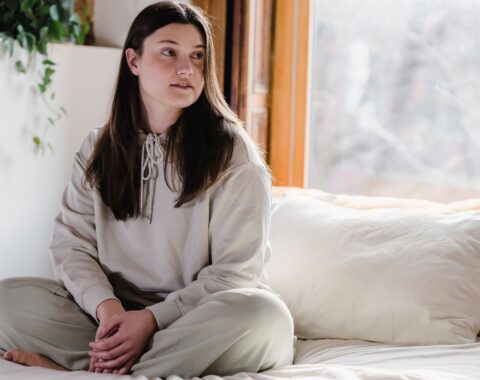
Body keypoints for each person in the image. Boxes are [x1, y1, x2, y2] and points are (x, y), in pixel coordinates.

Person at [0, 1, 295, 378]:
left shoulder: (233, 153)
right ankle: (124, 361)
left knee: (265, 318)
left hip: (201, 316)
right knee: (6, 300)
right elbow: (71, 244)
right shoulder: (97, 148)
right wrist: (110, 312)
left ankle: (89, 369)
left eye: (198, 56)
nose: (187, 68)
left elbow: (233, 276)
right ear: (134, 61)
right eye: (169, 52)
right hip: (116, 313)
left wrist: (152, 320)